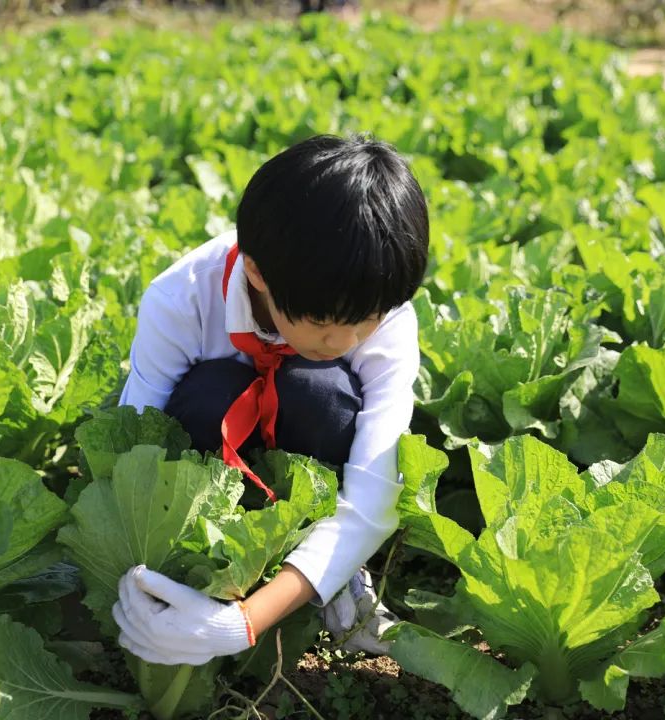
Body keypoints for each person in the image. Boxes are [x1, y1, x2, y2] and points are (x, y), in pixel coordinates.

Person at [112, 134, 429, 666]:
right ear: (257, 272)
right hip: (207, 457)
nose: (348, 341)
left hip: (315, 449)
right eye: (326, 324)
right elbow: (134, 440)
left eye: (366, 321)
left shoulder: (388, 313)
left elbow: (374, 493)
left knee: (321, 391)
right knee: (209, 392)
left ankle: (332, 572)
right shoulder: (179, 298)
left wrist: (245, 623)